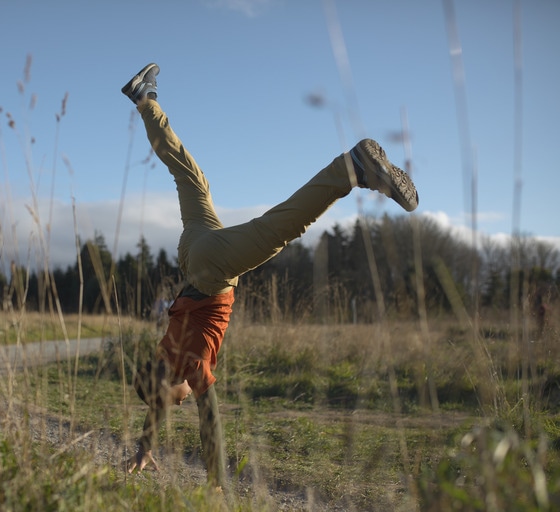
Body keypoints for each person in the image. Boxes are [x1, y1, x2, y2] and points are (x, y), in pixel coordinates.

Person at [121, 63, 418, 488]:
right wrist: (145, 446)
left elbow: (211, 420)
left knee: (280, 228)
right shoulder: (163, 358)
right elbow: (156, 403)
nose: (183, 402)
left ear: (170, 386)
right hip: (192, 250)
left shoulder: (186, 363)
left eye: (177, 400)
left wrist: (215, 485)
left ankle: (351, 167)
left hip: (211, 269)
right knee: (191, 178)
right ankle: (145, 100)